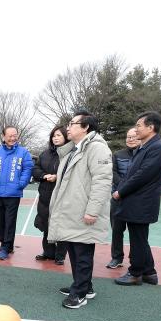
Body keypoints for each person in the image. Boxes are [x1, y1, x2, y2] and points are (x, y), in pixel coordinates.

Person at [47, 111, 112, 309]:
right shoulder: (73, 149)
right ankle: (84, 285)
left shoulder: (97, 149)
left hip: (83, 210)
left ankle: (80, 293)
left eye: (73, 123)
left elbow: (102, 181)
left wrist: (92, 210)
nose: (68, 127)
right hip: (72, 209)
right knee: (75, 250)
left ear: (86, 128)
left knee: (82, 253)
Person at [112, 111, 161, 286]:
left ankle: (135, 273)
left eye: (139, 125)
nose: (136, 129)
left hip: (141, 202)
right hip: (135, 201)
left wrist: (120, 192)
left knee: (137, 239)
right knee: (139, 237)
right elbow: (131, 173)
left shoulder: (158, 148)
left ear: (150, 127)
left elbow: (141, 176)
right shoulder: (145, 146)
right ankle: (149, 272)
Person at [0, 126, 34, 260]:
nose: (13, 138)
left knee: (10, 221)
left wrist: (21, 183)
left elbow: (28, 168)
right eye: (10, 136)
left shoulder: (23, 152)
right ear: (3, 137)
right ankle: (4, 244)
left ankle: (7, 247)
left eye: (15, 135)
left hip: (13, 193)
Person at [31, 125, 69, 265]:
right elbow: (35, 169)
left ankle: (60, 256)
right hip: (45, 195)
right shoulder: (45, 153)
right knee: (45, 225)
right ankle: (48, 252)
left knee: (60, 227)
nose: (56, 138)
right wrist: (44, 175)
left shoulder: (71, 153)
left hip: (62, 196)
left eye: (59, 135)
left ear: (66, 136)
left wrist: (57, 177)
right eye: (54, 135)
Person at [106, 128, 141, 268]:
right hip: (117, 198)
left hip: (135, 200)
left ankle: (134, 259)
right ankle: (116, 258)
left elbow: (140, 176)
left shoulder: (143, 155)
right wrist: (122, 188)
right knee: (116, 230)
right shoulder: (118, 154)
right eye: (128, 137)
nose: (130, 139)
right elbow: (112, 172)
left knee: (135, 233)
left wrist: (127, 189)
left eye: (134, 137)